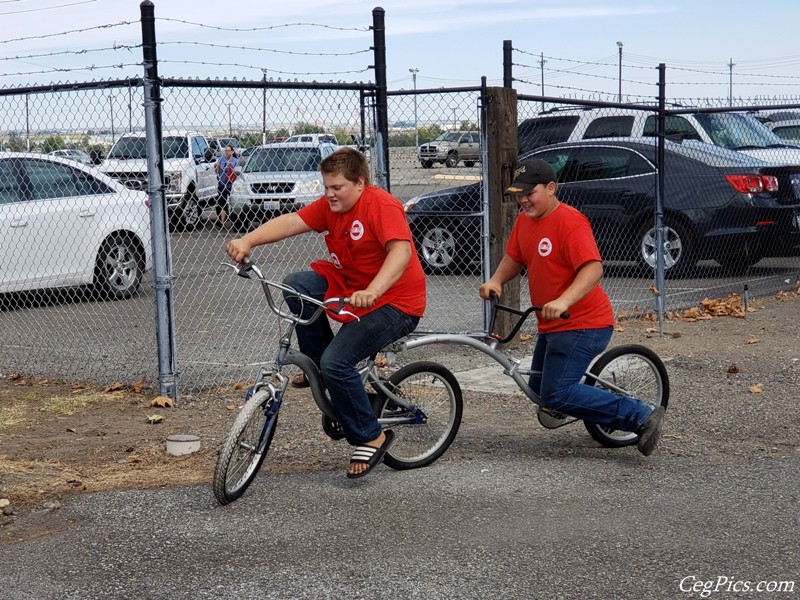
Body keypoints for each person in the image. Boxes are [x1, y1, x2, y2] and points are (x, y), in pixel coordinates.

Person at [226, 147, 426, 478]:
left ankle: (371, 435)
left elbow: (401, 252)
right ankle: (320, 367)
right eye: (326, 187)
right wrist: (249, 240)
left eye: (337, 188)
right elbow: (293, 221)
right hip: (353, 288)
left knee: (338, 362)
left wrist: (374, 290)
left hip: (395, 302)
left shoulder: (380, 204)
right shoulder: (332, 206)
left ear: (360, 183)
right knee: (297, 286)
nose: (329, 194)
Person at [478, 158, 664, 456]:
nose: (523, 200)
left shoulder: (570, 221)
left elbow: (592, 268)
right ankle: (585, 399)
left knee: (556, 393)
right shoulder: (525, 222)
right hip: (552, 323)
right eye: (518, 194)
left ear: (551, 188)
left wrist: (564, 300)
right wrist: (497, 280)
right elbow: (515, 256)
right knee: (542, 391)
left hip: (583, 322)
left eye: (530, 192)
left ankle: (639, 415)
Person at [215, 145, 239, 225]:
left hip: (231, 185)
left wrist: (230, 166)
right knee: (222, 203)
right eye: (226, 151)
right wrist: (216, 166)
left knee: (234, 201)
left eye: (229, 150)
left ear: (232, 152)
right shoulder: (221, 159)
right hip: (222, 184)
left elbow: (236, 173)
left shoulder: (235, 161)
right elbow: (217, 171)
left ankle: (235, 218)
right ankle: (222, 222)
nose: (227, 152)